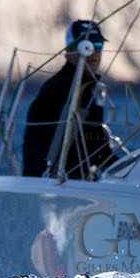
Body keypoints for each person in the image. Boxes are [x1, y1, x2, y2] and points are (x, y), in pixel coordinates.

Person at [21, 19, 119, 180]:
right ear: (69, 51)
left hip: (65, 180)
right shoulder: (62, 88)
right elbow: (94, 145)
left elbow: (94, 144)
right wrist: (122, 169)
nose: (93, 52)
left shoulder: (84, 87)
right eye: (85, 46)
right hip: (57, 181)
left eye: (98, 45)